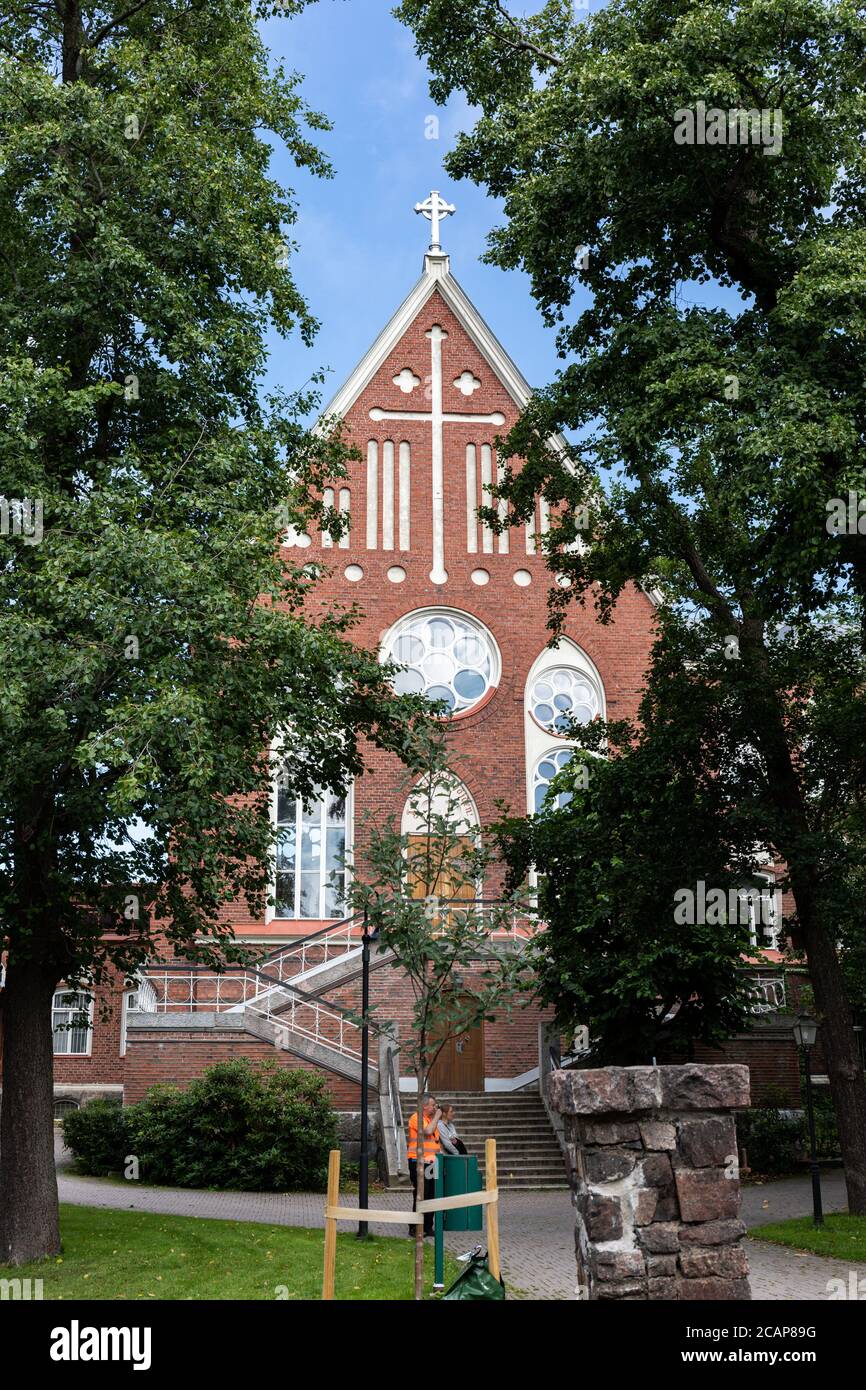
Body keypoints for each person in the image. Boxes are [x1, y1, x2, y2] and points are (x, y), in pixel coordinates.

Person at [407, 1094, 441, 1236]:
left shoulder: (430, 1120)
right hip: (418, 1161)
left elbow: (436, 1142)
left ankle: (428, 1226)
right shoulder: (416, 1118)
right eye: (433, 1105)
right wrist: (438, 1116)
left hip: (433, 1163)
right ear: (424, 1105)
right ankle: (415, 1227)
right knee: (421, 1193)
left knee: (432, 1194)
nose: (434, 1108)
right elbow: (427, 1131)